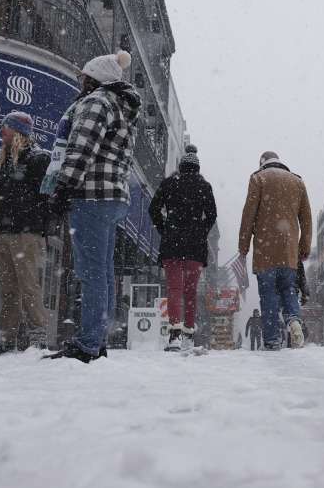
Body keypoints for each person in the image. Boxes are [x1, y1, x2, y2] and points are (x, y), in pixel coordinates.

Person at [46, 50, 140, 363]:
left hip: (91, 194)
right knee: (103, 272)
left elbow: (82, 146)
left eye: (83, 76)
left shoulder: (96, 101)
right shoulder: (121, 107)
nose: (79, 81)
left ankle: (88, 343)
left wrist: (63, 187)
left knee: (91, 272)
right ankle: (97, 339)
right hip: (113, 196)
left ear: (93, 77)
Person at [0, 111, 52, 355]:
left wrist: (39, 224)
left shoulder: (38, 158)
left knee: (28, 284)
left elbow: (47, 197)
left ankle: (38, 336)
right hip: (4, 230)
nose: (2, 130)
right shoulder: (3, 160)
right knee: (9, 287)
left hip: (26, 231)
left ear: (18, 131)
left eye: (6, 127)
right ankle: (4, 338)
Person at [237, 151, 312, 351]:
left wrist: (243, 246)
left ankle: (271, 340)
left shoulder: (258, 179)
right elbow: (306, 219)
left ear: (262, 163)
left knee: (268, 294)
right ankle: (294, 321)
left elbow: (248, 214)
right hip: (289, 251)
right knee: (288, 290)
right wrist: (304, 247)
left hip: (265, 250)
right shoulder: (297, 182)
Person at [149, 144, 217, 352]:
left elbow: (154, 209)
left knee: (174, 289)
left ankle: (174, 335)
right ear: (197, 167)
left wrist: (165, 228)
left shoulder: (169, 183)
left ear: (181, 165)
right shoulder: (204, 186)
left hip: (172, 242)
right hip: (195, 246)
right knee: (190, 291)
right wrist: (200, 230)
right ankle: (188, 333)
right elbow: (212, 215)